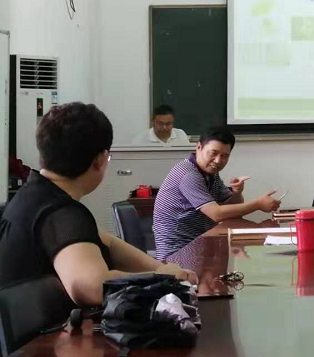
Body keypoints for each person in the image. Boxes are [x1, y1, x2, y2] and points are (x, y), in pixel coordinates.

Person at [0, 102, 197, 307]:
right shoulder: (60, 213)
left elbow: (106, 241)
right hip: (49, 328)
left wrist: (160, 268)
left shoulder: (34, 196)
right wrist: (160, 279)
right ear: (100, 160)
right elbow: (92, 287)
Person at [153, 126, 281, 260]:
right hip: (178, 254)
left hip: (202, 244)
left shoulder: (210, 173)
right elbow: (216, 214)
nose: (218, 160)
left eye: (224, 156)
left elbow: (231, 209)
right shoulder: (188, 174)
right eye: (213, 153)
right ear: (199, 147)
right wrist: (258, 204)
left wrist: (237, 192)